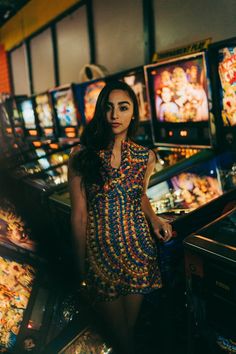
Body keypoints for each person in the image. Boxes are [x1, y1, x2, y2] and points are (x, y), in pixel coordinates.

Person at [68, 80, 173, 354]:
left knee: (127, 329)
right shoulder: (82, 155)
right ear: (101, 112)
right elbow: (78, 216)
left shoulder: (144, 157)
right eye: (109, 108)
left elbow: (139, 195)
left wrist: (156, 220)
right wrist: (80, 269)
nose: (115, 115)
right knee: (119, 335)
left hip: (138, 253)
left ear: (133, 113)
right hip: (100, 258)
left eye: (123, 108)